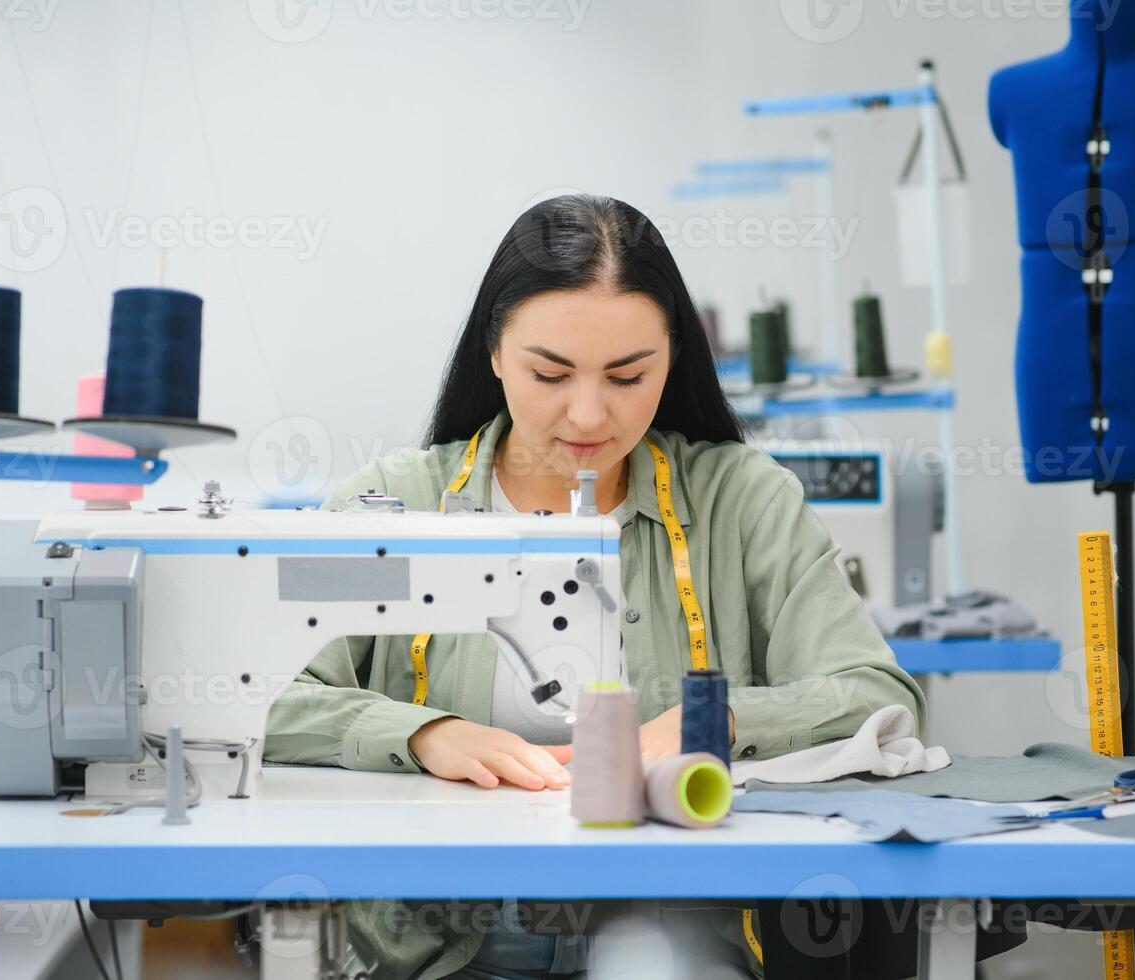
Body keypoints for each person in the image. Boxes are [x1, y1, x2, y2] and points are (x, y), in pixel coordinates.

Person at [265, 194, 925, 979]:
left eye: (626, 375)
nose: (588, 414)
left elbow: (874, 691)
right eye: (550, 372)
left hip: (670, 920)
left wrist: (709, 721)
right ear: (494, 353)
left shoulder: (739, 499)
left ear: (672, 358)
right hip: (434, 942)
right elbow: (263, 692)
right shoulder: (400, 502)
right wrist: (421, 735)